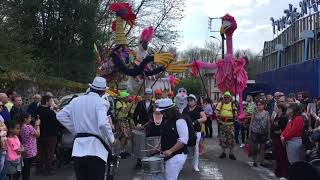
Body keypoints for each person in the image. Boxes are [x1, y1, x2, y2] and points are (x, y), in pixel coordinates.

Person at [56, 77, 115, 180]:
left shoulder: (76, 101)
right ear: (103, 91)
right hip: (96, 150)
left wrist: (76, 129)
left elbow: (60, 115)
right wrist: (112, 140)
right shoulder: (101, 102)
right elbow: (102, 124)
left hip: (78, 149)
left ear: (91, 88)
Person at [157, 98, 188, 180]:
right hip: (169, 155)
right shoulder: (167, 119)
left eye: (163, 112)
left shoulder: (180, 120)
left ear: (169, 110)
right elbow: (166, 135)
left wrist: (170, 150)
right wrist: (160, 146)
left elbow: (183, 140)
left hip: (177, 155)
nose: (162, 113)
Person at [36, 95, 59, 175]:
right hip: (51, 135)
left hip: (40, 135)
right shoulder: (51, 112)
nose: (52, 102)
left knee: (40, 153)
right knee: (49, 153)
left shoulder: (37, 110)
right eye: (51, 101)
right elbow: (57, 123)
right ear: (47, 101)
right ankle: (48, 169)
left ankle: (39, 169)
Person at [183, 94, 206, 171]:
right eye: (188, 100)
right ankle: (183, 164)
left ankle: (195, 165)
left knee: (196, 148)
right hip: (186, 132)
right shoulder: (185, 109)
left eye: (191, 100)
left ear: (195, 101)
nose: (189, 101)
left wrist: (196, 121)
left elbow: (204, 118)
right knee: (185, 147)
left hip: (196, 131)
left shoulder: (199, 109)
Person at [216, 91, 238, 160]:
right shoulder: (220, 104)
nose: (226, 98)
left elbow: (236, 114)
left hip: (230, 125)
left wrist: (235, 113)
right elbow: (216, 111)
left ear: (230, 98)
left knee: (231, 139)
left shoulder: (232, 104)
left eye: (227, 97)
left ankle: (231, 153)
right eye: (225, 97)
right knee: (222, 139)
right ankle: (223, 152)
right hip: (222, 125)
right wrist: (217, 114)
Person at [249, 100, 270, 167]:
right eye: (258, 105)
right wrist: (249, 132)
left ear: (264, 105)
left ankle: (262, 161)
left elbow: (268, 123)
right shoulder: (254, 112)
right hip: (255, 131)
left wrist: (269, 133)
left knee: (262, 147)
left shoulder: (267, 113)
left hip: (263, 132)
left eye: (260, 104)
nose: (259, 106)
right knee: (255, 147)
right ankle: (255, 161)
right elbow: (251, 122)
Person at [271, 104, 289, 178]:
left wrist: (279, 132)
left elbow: (283, 129)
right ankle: (278, 171)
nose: (274, 109)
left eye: (276, 108)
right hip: (275, 138)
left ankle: (283, 173)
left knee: (281, 156)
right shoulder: (277, 116)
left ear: (280, 109)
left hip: (280, 139)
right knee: (277, 155)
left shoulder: (283, 117)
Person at [20, 113, 40, 180]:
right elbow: (37, 134)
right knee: (27, 168)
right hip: (31, 150)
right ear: (25, 119)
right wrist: (37, 125)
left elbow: (32, 132)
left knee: (25, 168)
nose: (30, 119)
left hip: (24, 148)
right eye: (29, 118)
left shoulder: (21, 127)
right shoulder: (28, 127)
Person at [115, 90, 131, 159]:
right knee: (123, 136)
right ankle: (121, 151)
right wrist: (131, 104)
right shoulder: (119, 103)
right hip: (120, 121)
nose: (128, 98)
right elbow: (124, 111)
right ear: (123, 97)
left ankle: (123, 150)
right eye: (127, 97)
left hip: (125, 120)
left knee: (127, 136)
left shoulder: (125, 102)